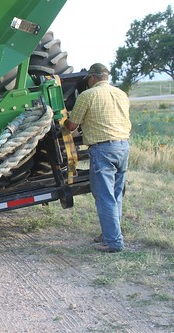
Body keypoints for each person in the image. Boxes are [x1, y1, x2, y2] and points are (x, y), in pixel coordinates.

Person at [64, 63, 131, 253]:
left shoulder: (88, 95)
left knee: (104, 197)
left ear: (92, 78)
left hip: (103, 150)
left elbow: (71, 126)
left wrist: (64, 119)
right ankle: (110, 233)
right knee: (116, 195)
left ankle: (113, 242)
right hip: (123, 146)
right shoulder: (121, 94)